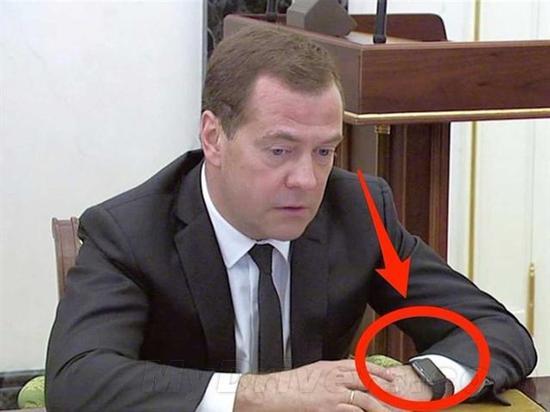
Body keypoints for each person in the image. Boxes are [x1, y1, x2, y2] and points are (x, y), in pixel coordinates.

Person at [45, 25, 536, 412]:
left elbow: (493, 329)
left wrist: (419, 380)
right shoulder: (131, 232)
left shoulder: (358, 214)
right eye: (279, 150)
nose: (306, 179)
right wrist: (268, 394)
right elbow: (77, 379)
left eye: (324, 151)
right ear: (214, 138)